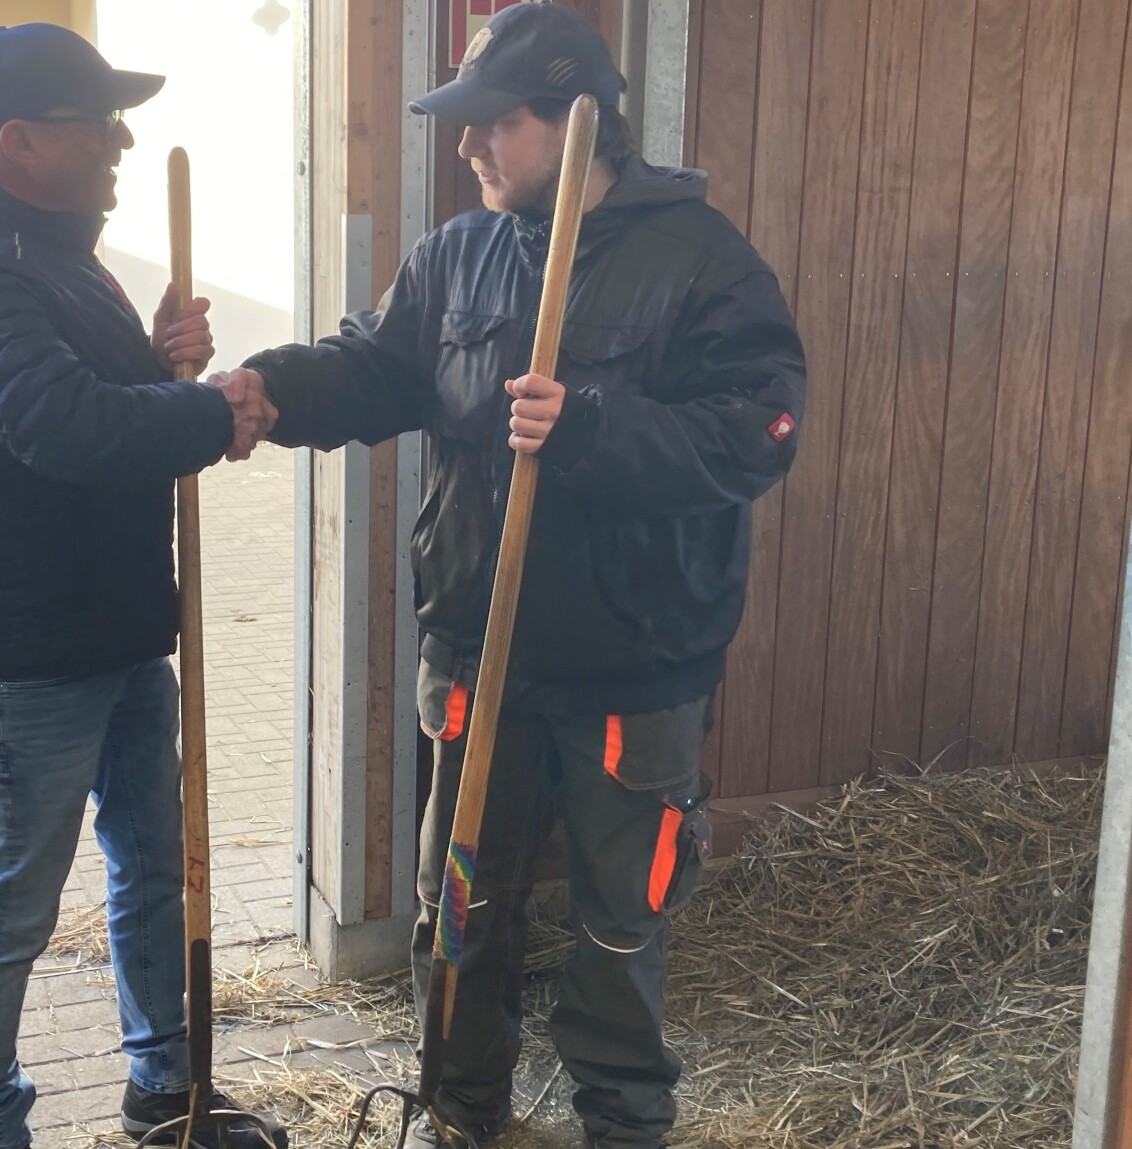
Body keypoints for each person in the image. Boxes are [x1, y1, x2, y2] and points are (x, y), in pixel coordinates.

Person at [215, 5, 806, 1148]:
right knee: (461, 908)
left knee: (622, 921)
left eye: (496, 124)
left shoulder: (702, 264)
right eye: (463, 125)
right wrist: (271, 390)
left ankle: (624, 1123)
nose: (469, 147)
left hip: (633, 669)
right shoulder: (460, 254)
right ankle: (460, 1111)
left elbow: (759, 434)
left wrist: (592, 427)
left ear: (579, 119)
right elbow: (377, 370)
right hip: (479, 656)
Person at [0, 24, 283, 1149]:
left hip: (119, 632)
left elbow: (94, 395)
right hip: (28, 661)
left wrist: (156, 360)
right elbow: (58, 426)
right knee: (17, 904)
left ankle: (164, 1088)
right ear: (19, 141)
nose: (120, 140)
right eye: (96, 121)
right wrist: (213, 409)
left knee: (156, 866)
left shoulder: (57, 251)